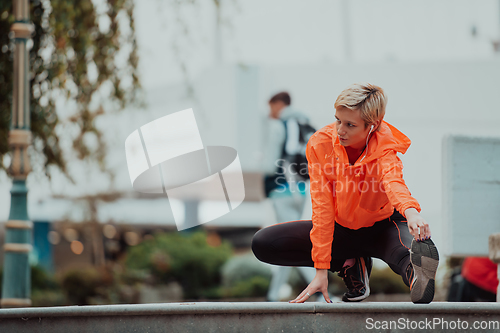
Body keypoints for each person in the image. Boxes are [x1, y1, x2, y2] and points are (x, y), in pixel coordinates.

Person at [252, 83, 439, 304]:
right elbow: (322, 208)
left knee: (404, 256)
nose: (340, 130)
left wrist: (411, 213)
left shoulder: (384, 146)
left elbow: (393, 181)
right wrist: (321, 271)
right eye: (338, 120)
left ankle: (416, 276)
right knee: (264, 243)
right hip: (343, 230)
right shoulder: (320, 144)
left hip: (384, 224)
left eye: (350, 125)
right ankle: (350, 263)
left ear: (372, 125)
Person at [260, 91, 372, 302]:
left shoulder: (279, 126)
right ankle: (273, 294)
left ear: (278, 104)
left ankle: (318, 292)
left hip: (281, 188)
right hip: (303, 189)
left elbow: (269, 164)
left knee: (286, 244)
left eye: (270, 106)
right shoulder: (306, 123)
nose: (269, 112)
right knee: (289, 243)